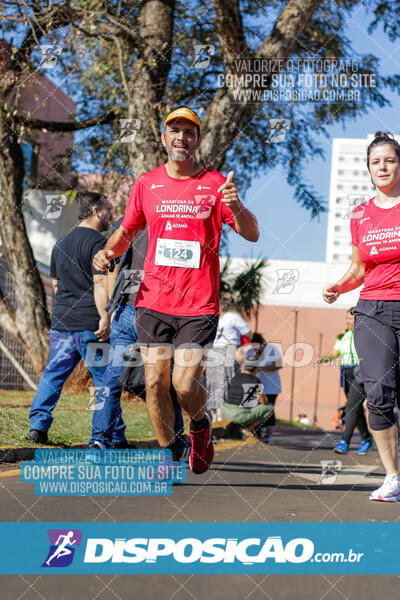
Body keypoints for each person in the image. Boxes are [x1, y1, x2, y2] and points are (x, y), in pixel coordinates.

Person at [93, 105, 259, 474]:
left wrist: (237, 205)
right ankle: (169, 454)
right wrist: (107, 252)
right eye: (175, 131)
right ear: (164, 137)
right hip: (152, 300)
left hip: (199, 303)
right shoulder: (146, 183)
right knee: (154, 382)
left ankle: (200, 427)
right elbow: (128, 230)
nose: (181, 138)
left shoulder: (215, 184)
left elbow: (252, 232)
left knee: (184, 386)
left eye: (189, 132)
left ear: (197, 140)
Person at [323, 131, 400, 501]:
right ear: (369, 169)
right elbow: (359, 267)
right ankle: (393, 477)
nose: (383, 167)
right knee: (378, 395)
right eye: (376, 162)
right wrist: (339, 286)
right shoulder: (361, 214)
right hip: (373, 309)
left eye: (389, 160)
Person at [88, 217, 189, 457]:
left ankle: (101, 439)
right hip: (134, 313)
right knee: (123, 381)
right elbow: (112, 267)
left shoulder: (138, 221)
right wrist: (111, 311)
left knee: (153, 382)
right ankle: (101, 439)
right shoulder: (139, 221)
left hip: (154, 314)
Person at [26, 192, 112, 443]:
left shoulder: (60, 242)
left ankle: (38, 426)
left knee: (53, 374)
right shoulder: (99, 243)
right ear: (96, 210)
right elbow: (102, 284)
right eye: (108, 209)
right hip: (91, 324)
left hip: (62, 322)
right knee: (104, 381)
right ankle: (102, 437)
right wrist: (104, 316)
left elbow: (55, 284)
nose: (111, 214)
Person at [318, 310, 373, 455]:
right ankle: (367, 439)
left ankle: (344, 441)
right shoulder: (344, 336)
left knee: (351, 407)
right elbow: (335, 353)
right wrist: (322, 358)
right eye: (347, 318)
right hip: (346, 372)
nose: (348, 321)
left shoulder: (366, 335)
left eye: (351, 318)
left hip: (360, 372)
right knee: (355, 408)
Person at [205, 295, 252, 423]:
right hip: (229, 349)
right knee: (228, 381)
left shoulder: (213, 316)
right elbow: (248, 332)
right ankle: (223, 414)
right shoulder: (233, 316)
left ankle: (214, 415)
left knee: (214, 383)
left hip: (213, 351)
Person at [222, 346, 274, 439]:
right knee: (269, 408)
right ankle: (248, 429)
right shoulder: (255, 380)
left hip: (225, 412)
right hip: (239, 415)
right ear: (256, 369)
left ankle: (234, 427)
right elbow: (263, 402)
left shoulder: (233, 377)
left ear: (242, 366)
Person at [250, 332, 282, 442]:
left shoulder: (271, 349)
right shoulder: (251, 352)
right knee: (255, 410)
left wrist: (262, 367)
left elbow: (278, 365)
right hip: (257, 387)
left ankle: (269, 436)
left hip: (271, 387)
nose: (256, 350)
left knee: (269, 410)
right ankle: (257, 433)